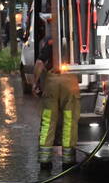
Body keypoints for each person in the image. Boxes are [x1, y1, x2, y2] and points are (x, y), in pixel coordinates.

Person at [33, 31, 80, 171]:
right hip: (70, 81)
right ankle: (68, 161)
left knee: (48, 121)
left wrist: (35, 83)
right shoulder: (76, 36)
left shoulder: (50, 39)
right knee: (69, 120)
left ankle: (45, 161)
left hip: (52, 80)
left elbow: (40, 63)